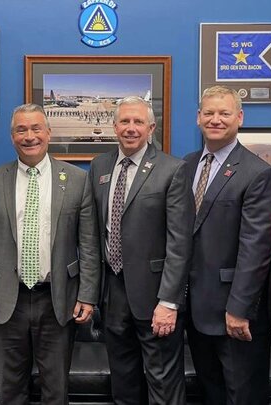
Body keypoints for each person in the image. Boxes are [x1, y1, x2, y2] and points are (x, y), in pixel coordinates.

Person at [0, 103, 100, 405]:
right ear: (12, 136)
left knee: (56, 390)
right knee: (11, 391)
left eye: (36, 128)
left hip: (57, 299)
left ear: (48, 133)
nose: (29, 136)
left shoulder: (77, 179)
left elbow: (89, 244)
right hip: (5, 301)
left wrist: (88, 296)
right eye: (21, 130)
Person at [88, 96, 194, 404]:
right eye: (124, 122)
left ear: (151, 128)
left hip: (155, 295)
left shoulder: (172, 170)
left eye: (138, 122)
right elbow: (95, 233)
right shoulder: (100, 166)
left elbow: (180, 242)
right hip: (113, 292)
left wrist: (169, 302)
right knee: (123, 380)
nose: (130, 128)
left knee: (162, 382)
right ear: (114, 126)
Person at [183, 86, 271, 405]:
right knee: (211, 392)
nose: (215, 119)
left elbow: (256, 250)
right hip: (196, 309)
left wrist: (239, 310)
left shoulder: (258, 173)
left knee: (242, 395)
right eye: (208, 113)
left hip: (234, 312)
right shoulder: (187, 165)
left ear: (239, 117)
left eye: (224, 113)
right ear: (198, 118)